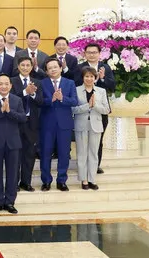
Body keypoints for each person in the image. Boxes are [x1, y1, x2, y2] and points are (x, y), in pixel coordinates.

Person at [0, 74, 27, 214]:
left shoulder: (17, 100)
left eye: (6, 84)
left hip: (13, 143)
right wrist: (0, 111)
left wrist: (9, 111)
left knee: (12, 174)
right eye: (1, 84)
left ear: (11, 85)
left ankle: (9, 202)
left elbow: (23, 118)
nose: (4, 86)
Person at [74, 43, 115, 174]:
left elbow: (112, 85)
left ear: (99, 54)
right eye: (89, 52)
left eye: (94, 52)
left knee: (98, 139)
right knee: (83, 142)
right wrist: (89, 80)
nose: (92, 55)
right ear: (84, 54)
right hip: (83, 109)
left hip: (100, 109)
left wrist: (102, 79)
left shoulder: (105, 67)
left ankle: (95, 165)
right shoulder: (80, 67)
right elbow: (75, 84)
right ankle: (83, 166)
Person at [39, 58, 79, 192]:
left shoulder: (70, 83)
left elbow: (74, 101)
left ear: (61, 68)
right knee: (46, 153)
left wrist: (62, 99)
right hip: (47, 124)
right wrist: (51, 99)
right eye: (50, 68)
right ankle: (46, 181)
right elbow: (39, 101)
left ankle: (61, 180)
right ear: (46, 71)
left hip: (64, 124)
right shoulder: (42, 83)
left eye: (55, 67)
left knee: (63, 153)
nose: (53, 70)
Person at [72, 68, 110, 190]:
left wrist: (95, 105)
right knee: (82, 153)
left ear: (95, 78)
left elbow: (106, 110)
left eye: (91, 77)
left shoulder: (101, 91)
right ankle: (84, 180)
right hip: (81, 125)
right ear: (83, 78)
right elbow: (73, 109)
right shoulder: (76, 90)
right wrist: (87, 106)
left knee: (93, 152)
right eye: (86, 76)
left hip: (96, 125)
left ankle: (92, 179)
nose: (89, 79)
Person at [10, 57, 43, 192]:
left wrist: (33, 94)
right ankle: (14, 182)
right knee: (15, 154)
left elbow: (41, 101)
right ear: (18, 67)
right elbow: (11, 99)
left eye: (27, 65)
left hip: (31, 123)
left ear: (31, 67)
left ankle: (26, 182)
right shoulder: (12, 81)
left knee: (29, 154)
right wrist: (25, 92)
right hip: (16, 122)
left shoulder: (37, 82)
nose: (25, 67)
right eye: (22, 65)